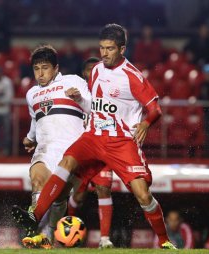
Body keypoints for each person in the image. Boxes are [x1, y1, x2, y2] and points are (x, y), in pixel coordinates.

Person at [12, 23, 177, 250]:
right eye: (101, 48)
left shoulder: (132, 77)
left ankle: (164, 241)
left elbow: (155, 109)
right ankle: (36, 216)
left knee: (142, 195)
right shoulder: (97, 70)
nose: (104, 53)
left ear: (122, 49)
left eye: (109, 49)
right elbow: (92, 106)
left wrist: (147, 123)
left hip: (121, 141)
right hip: (94, 136)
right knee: (66, 162)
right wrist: (80, 101)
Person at [20, 44, 91, 249]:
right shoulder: (32, 94)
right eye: (36, 69)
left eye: (45, 68)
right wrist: (29, 138)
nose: (40, 74)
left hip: (71, 151)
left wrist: (79, 98)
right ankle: (33, 230)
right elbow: (36, 120)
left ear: (56, 68)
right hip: (45, 149)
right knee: (37, 181)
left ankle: (49, 236)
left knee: (59, 197)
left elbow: (91, 107)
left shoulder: (73, 81)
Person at [67, 57, 114, 248]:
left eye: (95, 69)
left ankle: (104, 239)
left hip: (102, 150)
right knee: (78, 196)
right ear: (84, 74)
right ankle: (68, 228)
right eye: (88, 70)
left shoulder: (109, 92)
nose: (91, 73)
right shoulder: (76, 92)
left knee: (104, 188)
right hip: (84, 151)